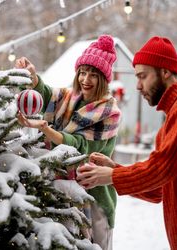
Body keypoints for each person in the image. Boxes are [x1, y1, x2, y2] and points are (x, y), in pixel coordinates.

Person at [77, 36, 177, 250]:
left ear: (165, 72)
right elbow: (160, 189)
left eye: (143, 76)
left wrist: (112, 176)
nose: (137, 85)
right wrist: (114, 170)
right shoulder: (172, 119)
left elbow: (162, 168)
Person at [15, 34, 121, 250]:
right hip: (60, 188)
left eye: (93, 75)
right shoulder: (70, 97)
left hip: (94, 196)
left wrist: (47, 130)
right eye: (82, 72)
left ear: (103, 79)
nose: (85, 79)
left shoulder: (109, 113)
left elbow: (79, 148)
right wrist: (34, 78)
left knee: (94, 245)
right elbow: (46, 95)